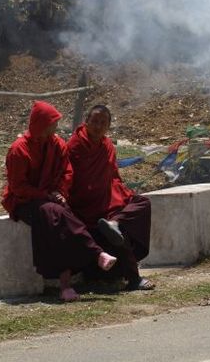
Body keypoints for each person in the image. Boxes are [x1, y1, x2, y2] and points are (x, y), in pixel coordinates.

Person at [1, 101, 116, 302]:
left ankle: (66, 284)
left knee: (60, 218)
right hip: (24, 201)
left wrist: (60, 192)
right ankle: (95, 254)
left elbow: (66, 173)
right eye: (51, 123)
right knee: (55, 214)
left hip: (50, 199)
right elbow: (18, 187)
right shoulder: (19, 149)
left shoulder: (57, 144)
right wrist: (45, 195)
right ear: (40, 124)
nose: (55, 128)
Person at [67, 105, 155, 291]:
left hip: (108, 198)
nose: (98, 126)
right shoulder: (74, 146)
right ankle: (133, 278)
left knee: (142, 203)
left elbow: (113, 176)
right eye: (94, 122)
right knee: (118, 229)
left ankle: (115, 222)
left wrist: (121, 193)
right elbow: (72, 179)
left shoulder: (107, 146)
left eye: (103, 123)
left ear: (108, 126)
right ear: (86, 122)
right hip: (86, 204)